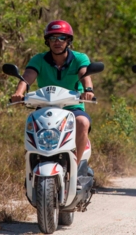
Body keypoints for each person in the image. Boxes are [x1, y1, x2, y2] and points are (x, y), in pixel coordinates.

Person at [11, 20, 95, 166]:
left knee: (82, 122)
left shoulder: (79, 58)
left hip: (72, 107)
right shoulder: (39, 59)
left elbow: (84, 74)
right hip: (46, 108)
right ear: (47, 41)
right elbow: (28, 76)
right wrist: (18, 93)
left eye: (62, 38)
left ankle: (76, 165)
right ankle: (32, 169)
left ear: (68, 40)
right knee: (31, 125)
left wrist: (88, 90)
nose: (57, 42)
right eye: (52, 38)